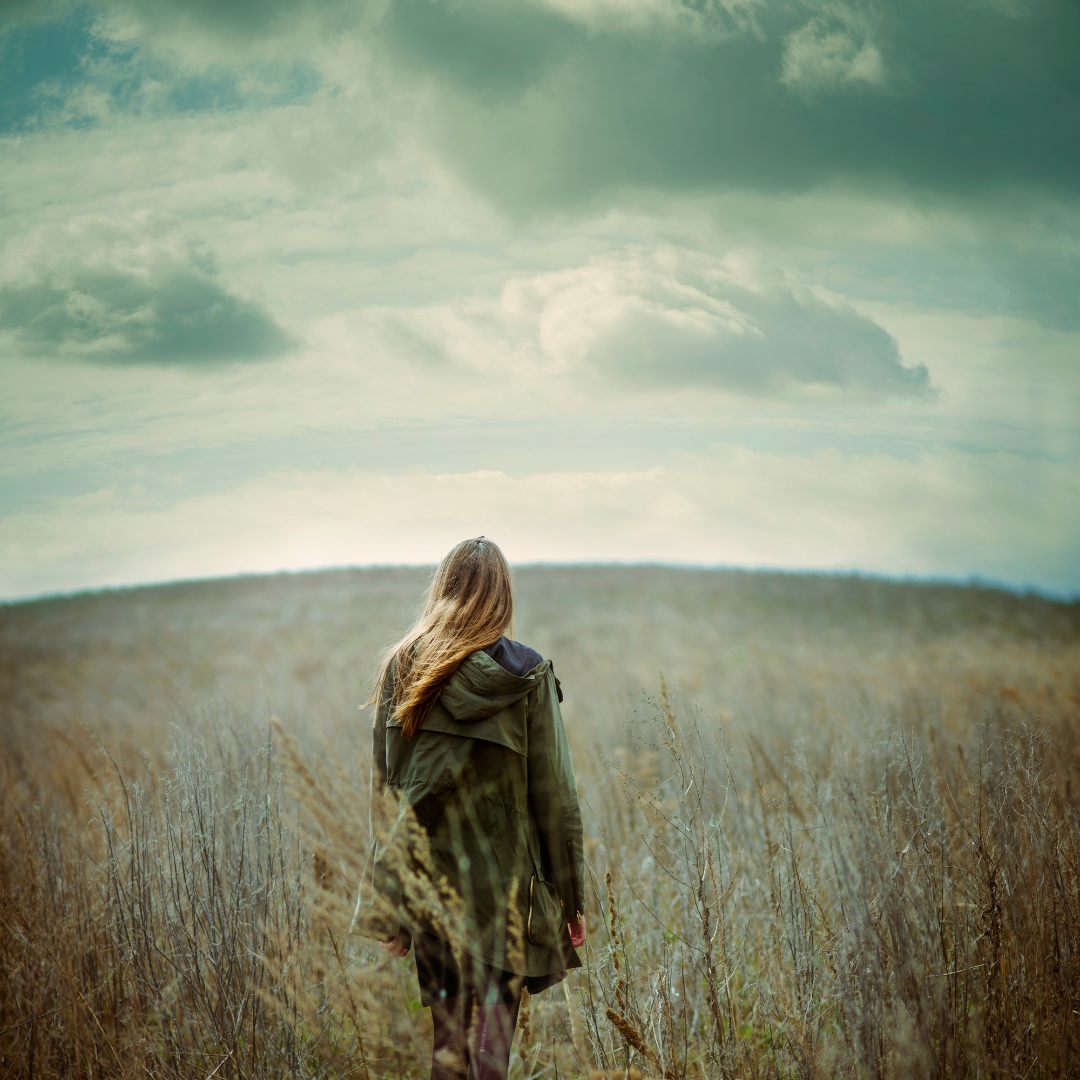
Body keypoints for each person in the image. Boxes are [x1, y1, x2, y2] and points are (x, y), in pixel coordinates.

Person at [367, 536, 587, 1080]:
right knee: (490, 1058)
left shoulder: (403, 668)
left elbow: (388, 795)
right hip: (507, 897)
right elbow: (556, 797)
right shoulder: (527, 675)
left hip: (432, 892)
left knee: (449, 1050)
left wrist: (389, 904)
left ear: (442, 591)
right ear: (503, 598)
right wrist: (571, 898)